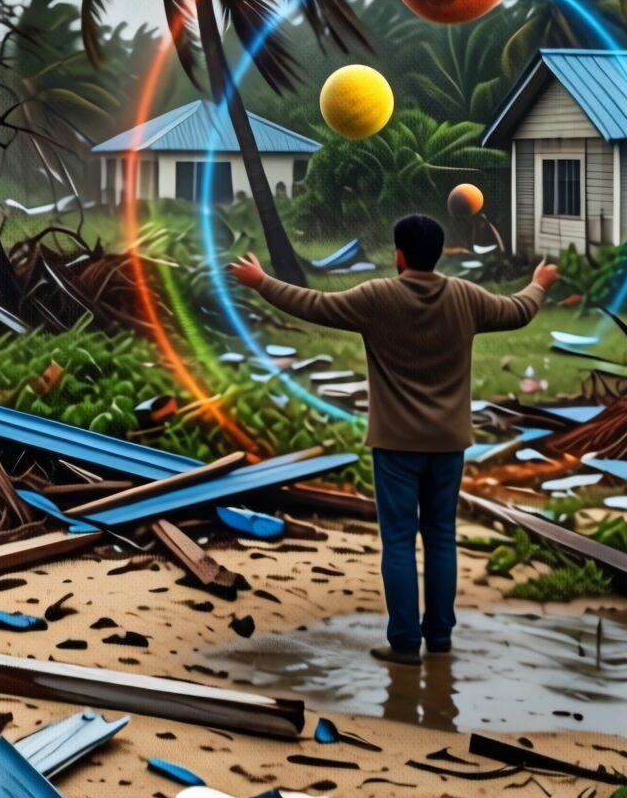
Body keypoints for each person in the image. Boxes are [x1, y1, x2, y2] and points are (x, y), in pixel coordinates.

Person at [227, 214, 555, 664]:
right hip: (448, 443)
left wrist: (262, 281)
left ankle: (404, 642)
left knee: (399, 541)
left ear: (399, 255)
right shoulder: (466, 297)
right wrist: (538, 282)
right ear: (437, 254)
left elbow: (313, 304)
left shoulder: (376, 296)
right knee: (441, 537)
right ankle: (439, 637)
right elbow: (519, 310)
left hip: (396, 444)